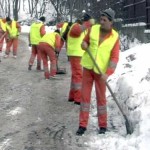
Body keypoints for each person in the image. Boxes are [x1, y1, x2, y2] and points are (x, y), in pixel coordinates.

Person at [76, 8, 120, 135]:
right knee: (85, 97)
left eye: (104, 20)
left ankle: (103, 125)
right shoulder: (93, 29)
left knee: (101, 99)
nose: (101, 22)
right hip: (88, 68)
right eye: (100, 19)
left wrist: (108, 72)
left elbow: (114, 57)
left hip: (101, 72)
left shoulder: (115, 37)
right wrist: (83, 45)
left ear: (111, 22)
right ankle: (82, 125)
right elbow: (85, 42)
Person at [67, 14, 95, 105]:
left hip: (78, 54)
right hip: (75, 54)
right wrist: (88, 23)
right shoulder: (75, 26)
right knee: (78, 75)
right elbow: (78, 31)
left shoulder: (83, 29)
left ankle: (72, 96)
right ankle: (78, 98)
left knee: (75, 76)